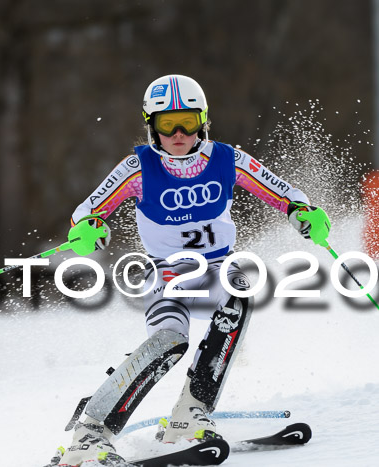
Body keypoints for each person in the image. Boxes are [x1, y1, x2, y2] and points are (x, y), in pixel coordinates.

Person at [46, 74, 331, 467]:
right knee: (169, 343)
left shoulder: (227, 159)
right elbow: (89, 209)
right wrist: (87, 228)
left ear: (203, 121)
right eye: (167, 124)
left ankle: (189, 414)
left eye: (188, 121)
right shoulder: (138, 167)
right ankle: (89, 434)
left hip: (212, 271)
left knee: (239, 292)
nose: (179, 133)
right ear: (152, 126)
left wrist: (303, 211)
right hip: (163, 275)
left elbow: (281, 191)